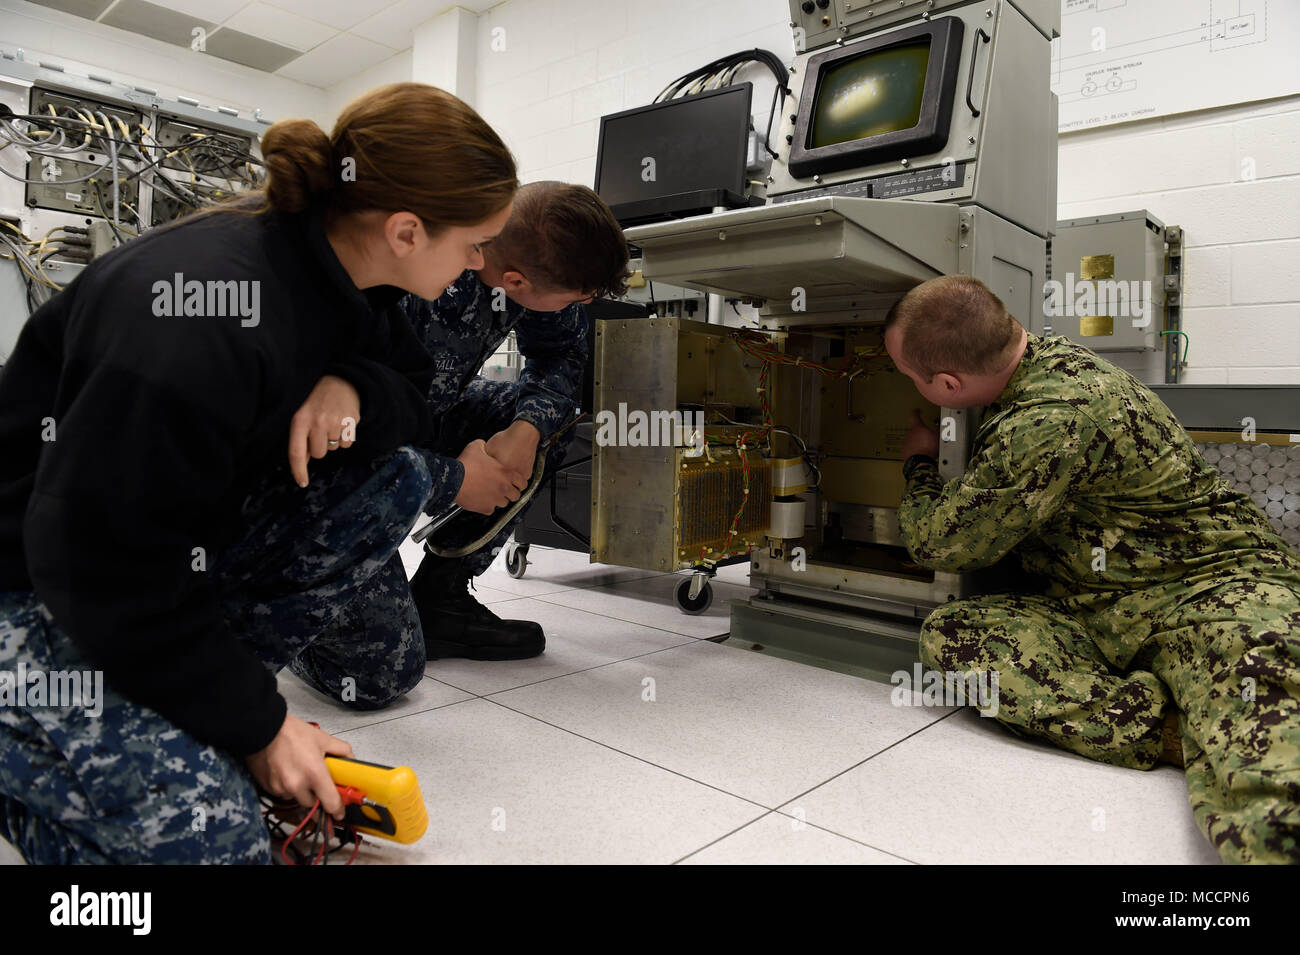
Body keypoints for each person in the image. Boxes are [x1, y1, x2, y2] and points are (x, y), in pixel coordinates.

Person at [0, 82, 518, 863]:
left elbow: (413, 398)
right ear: (407, 230)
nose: (481, 265)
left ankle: (164, 709)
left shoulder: (350, 276)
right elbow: (101, 564)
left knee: (395, 475)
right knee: (217, 844)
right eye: (475, 243)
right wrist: (258, 725)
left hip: (153, 563)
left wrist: (350, 385)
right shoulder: (194, 315)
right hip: (41, 586)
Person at [885, 274, 1300, 864]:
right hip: (1098, 607)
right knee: (957, 637)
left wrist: (920, 465)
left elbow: (941, 543)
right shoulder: (1042, 367)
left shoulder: (1050, 416)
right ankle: (1175, 726)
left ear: (948, 384)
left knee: (1270, 753)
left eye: (911, 378)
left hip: (1212, 589)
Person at [401, 181, 628, 660]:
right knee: (381, 672)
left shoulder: (522, 272)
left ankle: (441, 599)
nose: (576, 310)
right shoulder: (411, 281)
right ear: (516, 282)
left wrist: (525, 429)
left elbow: (561, 353)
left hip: (430, 417)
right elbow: (349, 448)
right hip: (346, 454)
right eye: (572, 300)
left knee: (548, 418)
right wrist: (456, 480)